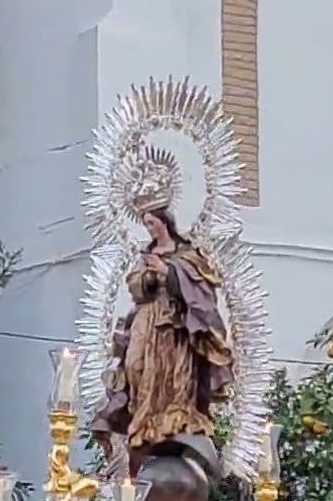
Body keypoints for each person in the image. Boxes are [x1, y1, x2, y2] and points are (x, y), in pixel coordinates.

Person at [91, 187, 235, 480]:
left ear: (164, 221)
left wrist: (168, 272)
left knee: (172, 375)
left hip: (176, 327)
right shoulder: (146, 255)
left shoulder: (187, 254)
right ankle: (143, 421)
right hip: (146, 320)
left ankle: (174, 420)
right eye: (145, 224)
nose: (149, 228)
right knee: (135, 367)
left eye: (152, 222)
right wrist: (147, 276)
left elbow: (201, 294)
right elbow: (135, 287)